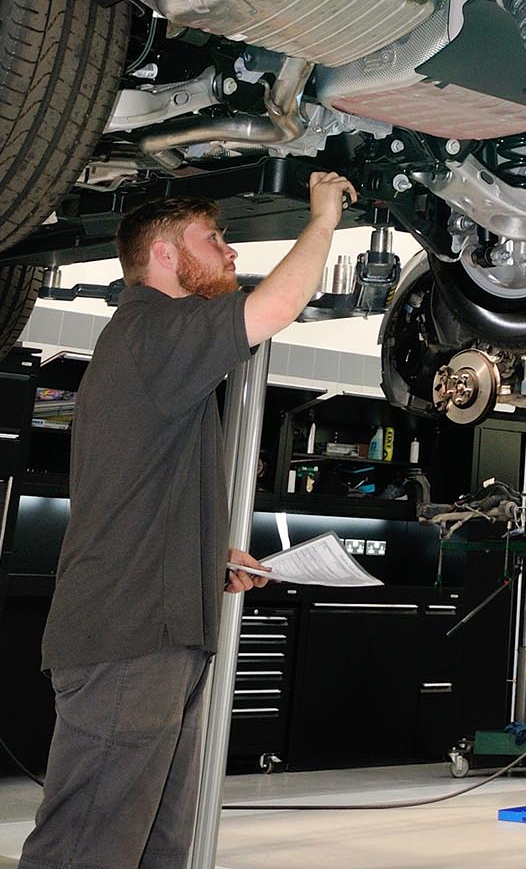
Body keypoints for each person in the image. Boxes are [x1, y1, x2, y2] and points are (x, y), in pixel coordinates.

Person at [19, 169, 355, 869]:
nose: (230, 251)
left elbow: (142, 494)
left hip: (160, 636)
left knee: (155, 845)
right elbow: (274, 306)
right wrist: (323, 218)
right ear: (165, 255)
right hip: (126, 635)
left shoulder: (159, 352)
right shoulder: (151, 328)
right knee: (88, 846)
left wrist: (211, 556)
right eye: (214, 238)